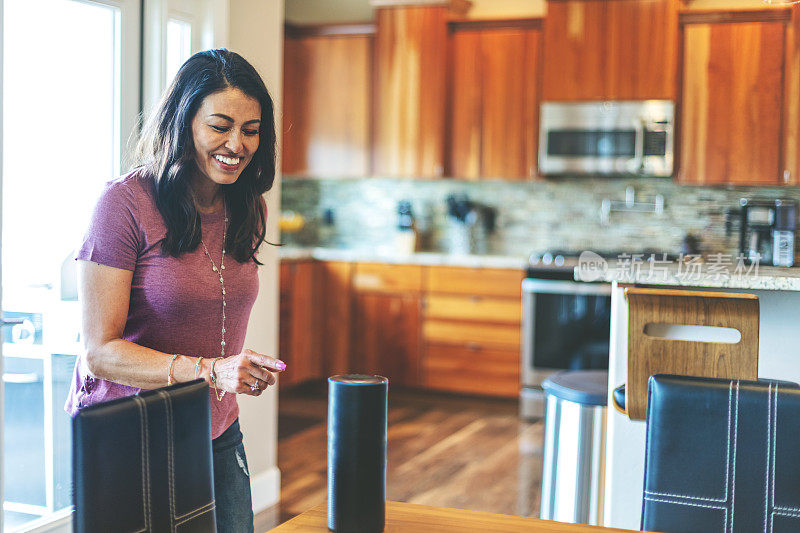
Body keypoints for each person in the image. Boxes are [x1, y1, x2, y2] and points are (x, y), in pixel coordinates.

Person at [64, 49, 284, 532]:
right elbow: (99, 352)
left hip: (214, 426)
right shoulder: (123, 204)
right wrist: (210, 370)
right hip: (128, 430)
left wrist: (234, 371)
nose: (237, 143)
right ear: (184, 124)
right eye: (220, 125)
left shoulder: (250, 207)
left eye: (250, 130)